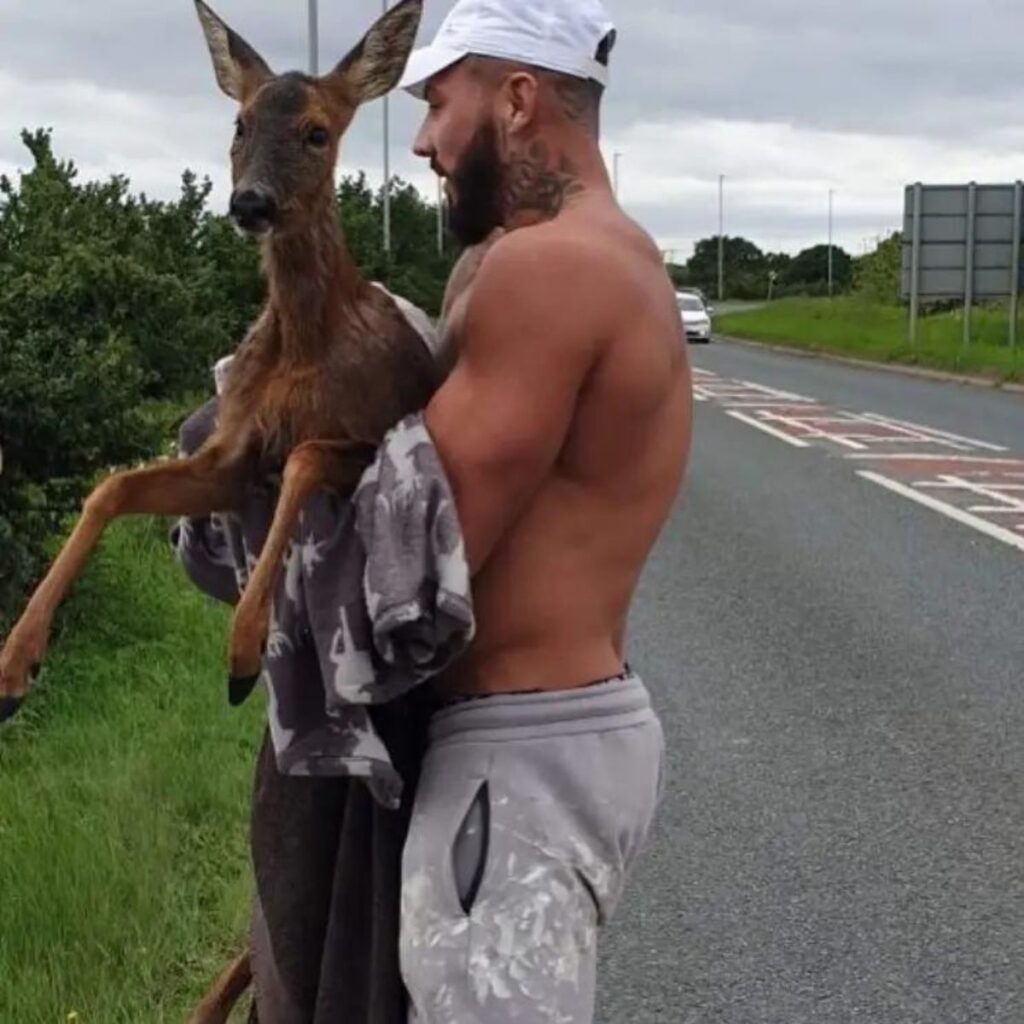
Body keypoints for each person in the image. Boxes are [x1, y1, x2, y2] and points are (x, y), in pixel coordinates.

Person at [391, 0, 694, 1020]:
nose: (425, 140)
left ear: (517, 99)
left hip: (516, 759)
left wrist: (237, 504)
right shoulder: (622, 257)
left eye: (438, 101)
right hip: (560, 738)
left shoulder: (548, 268)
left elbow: (411, 577)